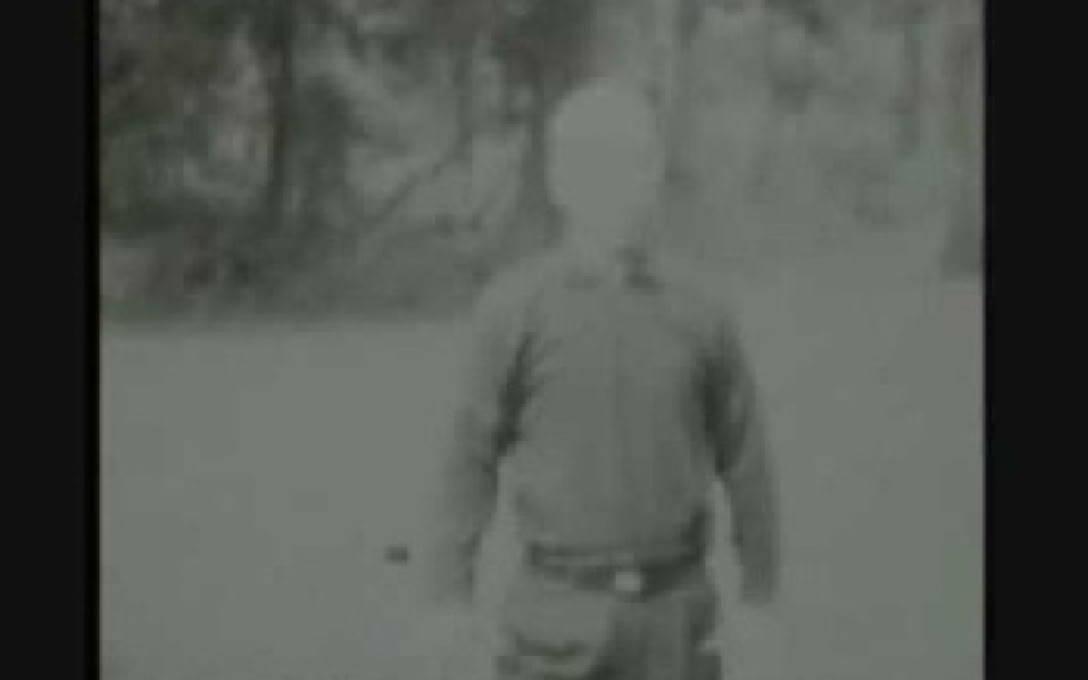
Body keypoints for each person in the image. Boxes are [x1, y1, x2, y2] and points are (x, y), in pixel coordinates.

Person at [419, 78, 782, 680]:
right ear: (562, 181)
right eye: (599, 164)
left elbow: (747, 463)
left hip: (676, 625)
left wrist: (761, 598)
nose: (623, 187)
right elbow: (468, 460)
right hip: (555, 625)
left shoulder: (702, 313)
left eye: (638, 163)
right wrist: (446, 599)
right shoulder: (514, 311)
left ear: (655, 177)